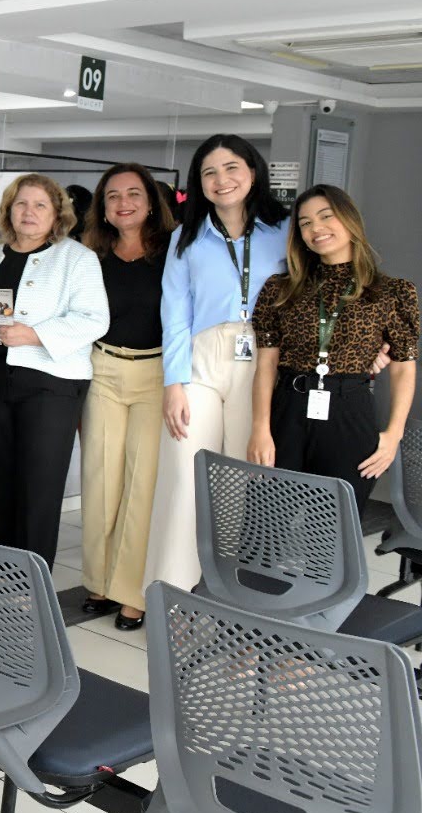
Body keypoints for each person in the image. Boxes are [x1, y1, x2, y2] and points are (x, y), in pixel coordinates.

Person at [142, 135, 289, 594]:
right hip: (201, 361)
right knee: (185, 477)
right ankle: (170, 594)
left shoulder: (285, 230)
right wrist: (174, 383)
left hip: (264, 360)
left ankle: (229, 593)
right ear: (198, 182)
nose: (221, 180)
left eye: (231, 169)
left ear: (252, 172)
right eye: (209, 172)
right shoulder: (185, 238)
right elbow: (174, 312)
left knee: (242, 481)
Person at [249, 185, 417, 510]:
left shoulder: (391, 293)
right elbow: (266, 366)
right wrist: (260, 428)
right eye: (305, 223)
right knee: (265, 530)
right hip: (288, 412)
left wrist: (393, 434)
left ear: (349, 219)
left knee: (331, 538)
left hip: (349, 414)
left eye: (326, 216)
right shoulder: (280, 289)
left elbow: (403, 367)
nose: (316, 229)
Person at [0, 174, 108, 567]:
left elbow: (94, 320)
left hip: (51, 384)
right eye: (20, 204)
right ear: (8, 211)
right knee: (3, 480)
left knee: (39, 486)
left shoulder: (76, 258)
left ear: (57, 215)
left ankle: (31, 580)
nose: (28, 213)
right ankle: (3, 570)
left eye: (39, 206)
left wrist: (35, 335)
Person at [79, 164, 175, 631]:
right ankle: (98, 580)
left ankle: (131, 592)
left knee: (142, 485)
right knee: (99, 479)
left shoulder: (174, 253)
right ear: (103, 205)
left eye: (134, 194)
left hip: (156, 374)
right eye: (113, 195)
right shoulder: (90, 255)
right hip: (103, 370)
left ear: (151, 201)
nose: (123, 203)